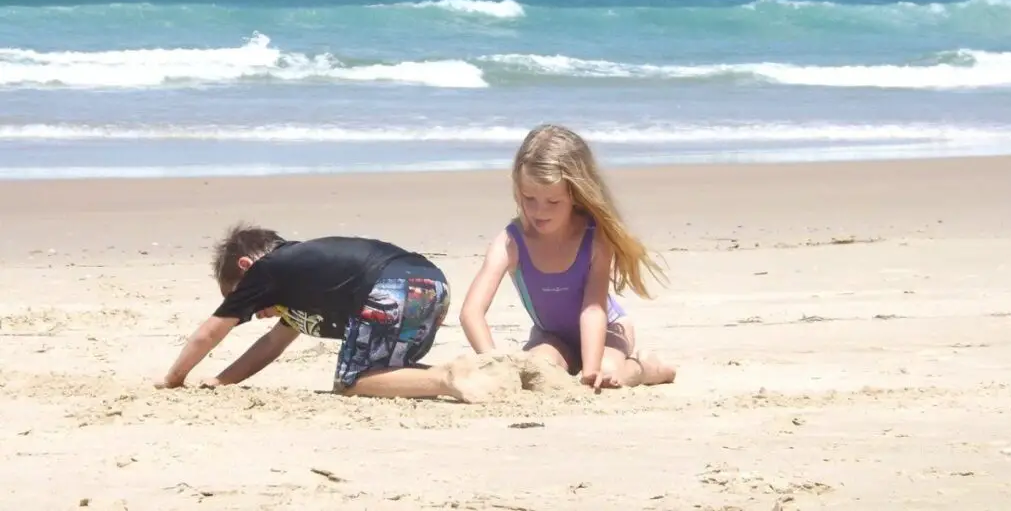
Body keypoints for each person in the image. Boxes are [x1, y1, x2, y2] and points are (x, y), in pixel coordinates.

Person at [155, 222, 481, 401]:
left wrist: (174, 378)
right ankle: (469, 376)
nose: (255, 311)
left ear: (247, 266)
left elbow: (210, 331)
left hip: (389, 286)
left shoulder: (267, 269)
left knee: (352, 382)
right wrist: (222, 381)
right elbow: (271, 345)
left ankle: (444, 378)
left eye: (245, 300)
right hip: (432, 285)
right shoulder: (306, 281)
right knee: (386, 373)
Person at [459, 124, 677, 391]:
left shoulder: (595, 239)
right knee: (537, 374)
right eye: (529, 198)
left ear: (575, 195)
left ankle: (646, 368)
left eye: (553, 202)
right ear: (518, 188)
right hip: (551, 336)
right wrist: (492, 363)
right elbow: (471, 312)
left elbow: (593, 308)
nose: (540, 211)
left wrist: (592, 368)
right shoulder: (510, 243)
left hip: (607, 329)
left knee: (607, 375)